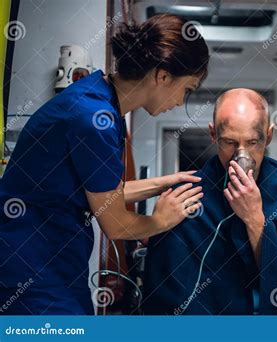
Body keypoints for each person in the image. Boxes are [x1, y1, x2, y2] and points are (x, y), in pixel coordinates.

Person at [0, 14, 209, 315]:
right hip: (32, 269)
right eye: (187, 89)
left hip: (52, 264)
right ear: (163, 76)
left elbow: (106, 193)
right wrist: (162, 220)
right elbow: (115, 223)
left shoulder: (99, 98)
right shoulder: (93, 120)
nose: (180, 101)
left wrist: (165, 183)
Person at [143, 88, 277, 315]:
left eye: (252, 143)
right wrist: (156, 225)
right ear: (213, 135)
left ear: (268, 136)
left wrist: (255, 220)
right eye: (229, 143)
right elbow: (164, 289)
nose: (241, 156)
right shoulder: (185, 195)